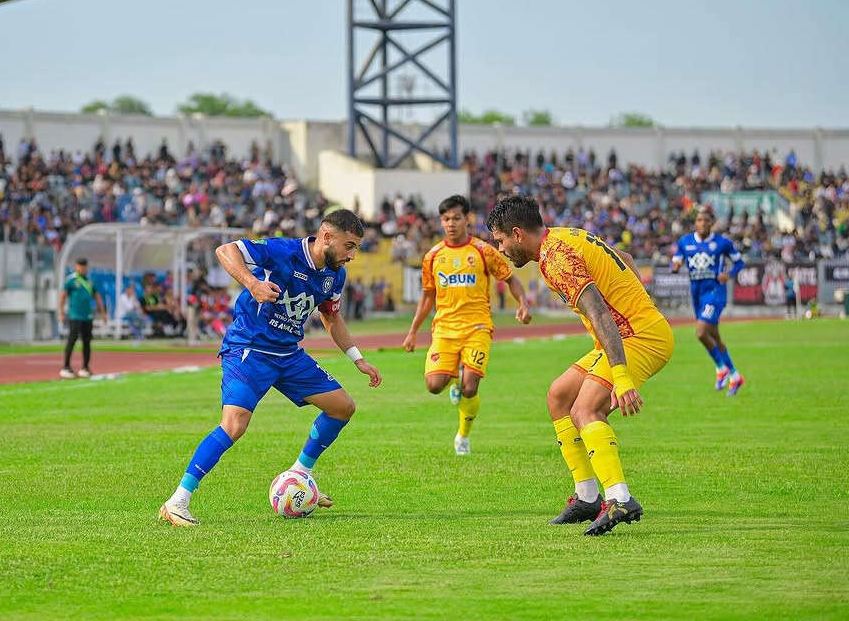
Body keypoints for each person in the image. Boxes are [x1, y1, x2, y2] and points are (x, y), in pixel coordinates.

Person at [159, 210, 382, 527]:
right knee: (234, 425)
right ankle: (178, 500)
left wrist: (358, 359)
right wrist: (252, 284)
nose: (352, 255)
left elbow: (331, 317)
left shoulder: (335, 276)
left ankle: (300, 473)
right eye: (349, 246)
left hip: (289, 355)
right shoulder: (282, 251)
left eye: (356, 247)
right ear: (327, 236)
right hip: (250, 348)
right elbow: (226, 250)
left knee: (342, 407)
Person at [487, 195, 674, 536]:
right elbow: (627, 258)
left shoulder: (556, 259)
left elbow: (600, 313)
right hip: (630, 331)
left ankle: (620, 498)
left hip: (638, 337)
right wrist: (637, 303)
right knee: (559, 396)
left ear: (516, 234)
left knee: (585, 411)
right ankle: (588, 497)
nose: (500, 249)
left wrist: (621, 375)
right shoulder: (562, 236)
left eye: (499, 241)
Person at [402, 194, 531, 456]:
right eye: (446, 219)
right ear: (441, 222)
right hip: (445, 328)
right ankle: (454, 383)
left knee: (471, 385)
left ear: (467, 219)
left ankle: (463, 435)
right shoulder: (433, 256)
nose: (451, 223)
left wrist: (523, 303)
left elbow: (510, 279)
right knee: (434, 385)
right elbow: (428, 296)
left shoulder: (483, 251)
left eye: (456, 218)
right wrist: (413, 331)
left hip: (477, 327)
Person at [671, 207, 746, 395]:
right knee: (715, 337)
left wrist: (729, 274)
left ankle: (721, 368)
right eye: (698, 220)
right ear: (695, 223)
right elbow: (677, 258)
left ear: (711, 223)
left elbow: (740, 262)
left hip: (714, 293)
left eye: (705, 220)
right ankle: (735, 376)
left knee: (701, 332)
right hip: (697, 294)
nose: (702, 223)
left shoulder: (722, 243)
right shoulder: (685, 242)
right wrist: (676, 265)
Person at [58, 258, 105, 378]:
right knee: (72, 340)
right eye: (80, 266)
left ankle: (85, 367)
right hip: (75, 315)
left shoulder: (89, 281)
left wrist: (102, 312)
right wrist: (61, 312)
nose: (82, 269)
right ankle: (66, 366)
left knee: (87, 342)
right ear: (76, 267)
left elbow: (97, 296)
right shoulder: (71, 280)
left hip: (87, 316)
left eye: (84, 267)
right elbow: (63, 296)